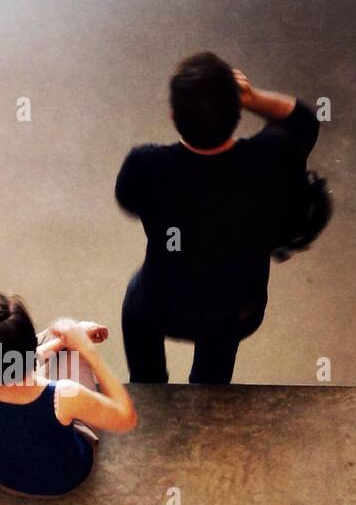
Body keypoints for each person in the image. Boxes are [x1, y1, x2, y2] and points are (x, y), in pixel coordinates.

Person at [116, 51, 321, 383]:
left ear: (172, 116)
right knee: (215, 367)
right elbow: (303, 119)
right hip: (236, 310)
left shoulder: (145, 166)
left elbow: (127, 201)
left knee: (136, 305)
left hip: (162, 304)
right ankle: (207, 399)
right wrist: (252, 97)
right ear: (238, 111)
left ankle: (147, 390)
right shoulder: (273, 158)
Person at [0, 290, 136, 497]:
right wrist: (86, 349)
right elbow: (126, 418)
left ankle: (58, 342)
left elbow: (10, 368)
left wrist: (61, 342)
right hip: (64, 480)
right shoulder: (64, 395)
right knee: (73, 354)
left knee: (56, 345)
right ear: (31, 345)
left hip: (2, 476)